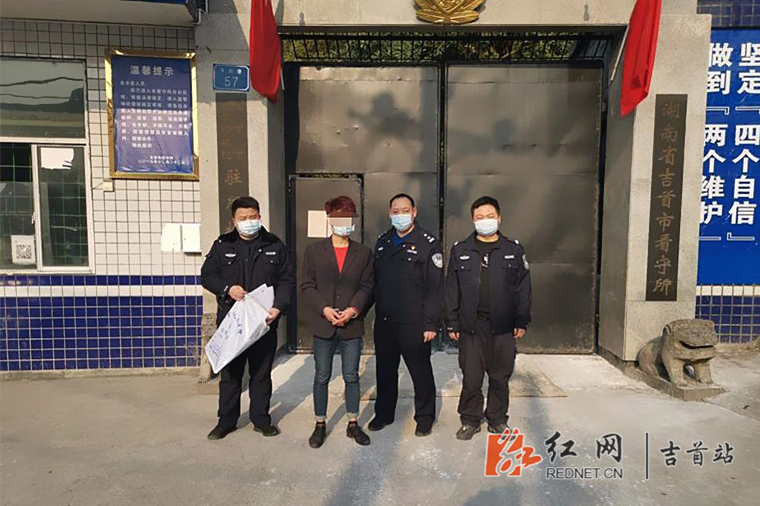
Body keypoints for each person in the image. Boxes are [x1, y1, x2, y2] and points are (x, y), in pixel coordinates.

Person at [201, 196, 295, 440]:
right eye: (243, 218)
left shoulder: (275, 244)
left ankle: (261, 419)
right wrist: (227, 288)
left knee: (261, 374)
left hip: (264, 322)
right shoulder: (222, 245)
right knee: (230, 375)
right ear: (234, 220)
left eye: (253, 217)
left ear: (259, 216)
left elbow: (287, 280)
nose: (248, 221)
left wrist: (278, 308)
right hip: (232, 323)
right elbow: (207, 276)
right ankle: (226, 420)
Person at [444, 196, 532, 441]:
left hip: (503, 326)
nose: (485, 221)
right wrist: (451, 322)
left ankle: (497, 419)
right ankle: (470, 419)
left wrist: (521, 319)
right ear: (473, 220)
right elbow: (451, 289)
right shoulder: (461, 250)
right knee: (472, 377)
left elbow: (523, 288)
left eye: (490, 216)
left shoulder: (513, 250)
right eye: (480, 217)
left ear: (499, 218)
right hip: (471, 327)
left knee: (500, 376)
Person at [301, 196, 374, 448]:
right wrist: (324, 309)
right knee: (322, 375)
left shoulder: (363, 253)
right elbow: (307, 285)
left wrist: (353, 309)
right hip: (324, 324)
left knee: (351, 375)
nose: (344, 222)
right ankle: (320, 423)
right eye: (339, 216)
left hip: (351, 324)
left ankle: (353, 422)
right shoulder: (314, 251)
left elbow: (367, 286)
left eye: (348, 216)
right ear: (330, 219)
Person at [369, 193, 443, 437]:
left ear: (414, 212)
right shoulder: (383, 241)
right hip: (386, 321)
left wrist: (430, 323)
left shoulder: (428, 242)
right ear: (390, 213)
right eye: (395, 211)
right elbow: (374, 282)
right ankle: (384, 414)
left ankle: (425, 417)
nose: (400, 215)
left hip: (415, 322)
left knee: (420, 372)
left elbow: (435, 287)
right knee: (385, 371)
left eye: (405, 210)